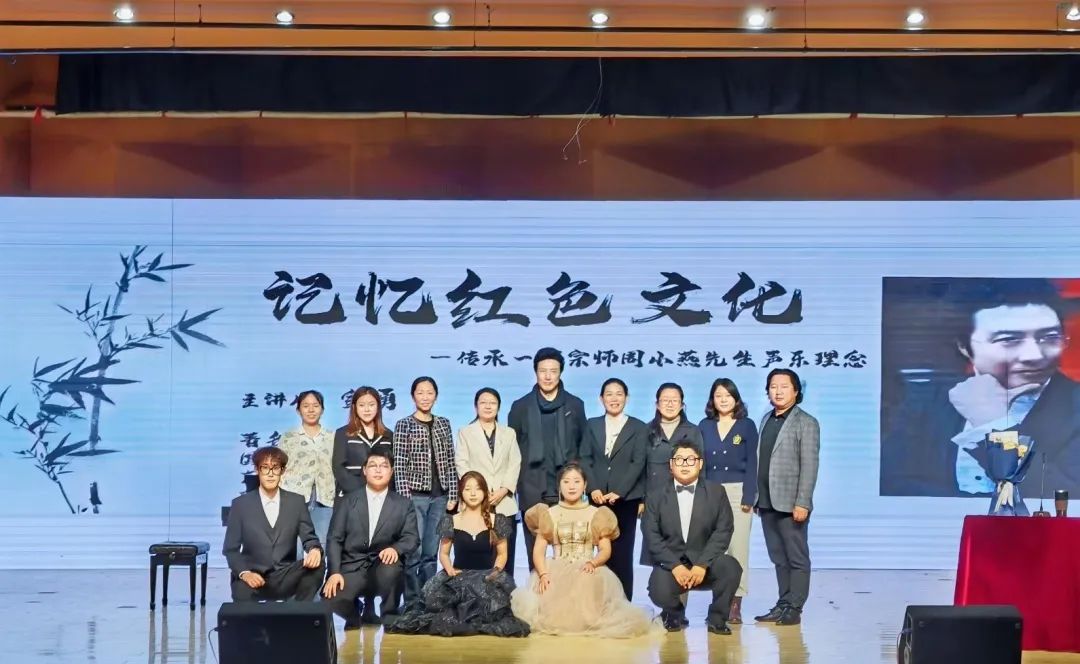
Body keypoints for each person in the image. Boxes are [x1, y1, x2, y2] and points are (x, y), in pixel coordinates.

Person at [881, 278, 1080, 497]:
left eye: (1049, 338)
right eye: (1009, 340)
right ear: (964, 346)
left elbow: (1063, 496)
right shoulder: (928, 400)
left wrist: (992, 426)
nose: (1034, 355)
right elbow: (891, 483)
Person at [510, 462, 654, 637]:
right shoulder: (549, 513)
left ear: (585, 485)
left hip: (587, 567)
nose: (571, 486)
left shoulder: (597, 514)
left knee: (588, 586)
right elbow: (538, 551)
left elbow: (605, 549)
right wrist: (543, 573)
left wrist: (594, 562)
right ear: (559, 486)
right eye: (566, 482)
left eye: (576, 481)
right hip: (556, 568)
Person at [386, 471, 530, 637]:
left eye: (478, 489)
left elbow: (502, 554)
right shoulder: (451, 520)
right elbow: (444, 554)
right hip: (458, 578)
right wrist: (450, 570)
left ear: (485, 492)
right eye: (468, 489)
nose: (473, 493)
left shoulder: (497, 520)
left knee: (492, 613)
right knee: (448, 617)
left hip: (486, 578)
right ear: (461, 492)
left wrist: (496, 571)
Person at [642, 441, 742, 635]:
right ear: (671, 465)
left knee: (731, 568)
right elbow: (651, 535)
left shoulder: (716, 492)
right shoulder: (655, 496)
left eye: (690, 459)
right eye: (679, 459)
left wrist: (702, 564)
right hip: (673, 565)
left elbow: (723, 530)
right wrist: (675, 566)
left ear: (700, 463)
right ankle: (674, 614)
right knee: (658, 590)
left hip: (706, 564)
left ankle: (717, 619)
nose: (685, 464)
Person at [507, 347, 587, 572]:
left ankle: (569, 591)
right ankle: (538, 590)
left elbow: (583, 445)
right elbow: (512, 449)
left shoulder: (575, 405)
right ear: (536, 372)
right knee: (536, 550)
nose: (548, 376)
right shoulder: (521, 406)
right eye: (543, 371)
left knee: (570, 549)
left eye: (553, 371)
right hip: (532, 486)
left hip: (567, 486)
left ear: (561, 372)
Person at [323, 446, 419, 627]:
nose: (378, 470)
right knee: (330, 598)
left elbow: (411, 537)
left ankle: (389, 617)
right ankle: (354, 614)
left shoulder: (403, 504)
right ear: (364, 470)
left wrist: (396, 549)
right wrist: (334, 572)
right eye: (373, 465)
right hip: (353, 566)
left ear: (391, 472)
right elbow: (334, 539)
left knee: (392, 569)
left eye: (384, 466)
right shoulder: (347, 501)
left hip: (383, 566)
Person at [754, 369, 819, 626]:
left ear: (796, 391)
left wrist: (803, 501)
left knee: (796, 557)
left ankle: (795, 607)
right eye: (773, 386)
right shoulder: (766, 419)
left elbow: (810, 466)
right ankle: (783, 603)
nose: (778, 391)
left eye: (784, 386)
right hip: (767, 501)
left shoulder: (806, 422)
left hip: (792, 504)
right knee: (778, 557)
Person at [223, 446, 325, 602]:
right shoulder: (240, 505)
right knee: (242, 592)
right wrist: (245, 573)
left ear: (282, 471)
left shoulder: (296, 502)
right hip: (252, 575)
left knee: (318, 564)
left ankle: (298, 612)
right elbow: (231, 549)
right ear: (257, 470)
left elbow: (309, 538)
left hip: (285, 576)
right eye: (265, 468)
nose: (270, 473)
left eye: (275, 468)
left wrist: (314, 550)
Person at [579, 378, 649, 600]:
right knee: (598, 553)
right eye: (609, 394)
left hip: (625, 499)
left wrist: (620, 490)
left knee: (623, 554)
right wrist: (593, 488)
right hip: (597, 499)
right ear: (601, 399)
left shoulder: (639, 427)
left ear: (626, 398)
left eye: (619, 394)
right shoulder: (591, 424)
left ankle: (623, 602)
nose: (614, 398)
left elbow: (638, 462)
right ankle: (598, 601)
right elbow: (585, 458)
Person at [393, 376, 458, 609]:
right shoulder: (404, 424)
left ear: (436, 396)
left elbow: (450, 460)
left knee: (431, 552)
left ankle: (429, 599)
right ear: (413, 396)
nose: (425, 397)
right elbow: (399, 463)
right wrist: (404, 499)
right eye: (420, 392)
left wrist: (453, 494)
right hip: (414, 496)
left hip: (440, 497)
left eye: (429, 392)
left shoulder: (443, 423)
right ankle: (412, 602)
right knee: (414, 551)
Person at [698, 378, 758, 623]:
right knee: (715, 549)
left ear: (736, 399)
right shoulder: (704, 425)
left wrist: (749, 495)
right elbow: (700, 462)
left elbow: (753, 462)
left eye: (728, 395)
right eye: (718, 395)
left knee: (738, 548)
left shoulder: (747, 425)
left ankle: (735, 603)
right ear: (712, 400)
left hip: (737, 492)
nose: (723, 400)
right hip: (711, 491)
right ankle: (719, 601)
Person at [454, 388, 523, 578]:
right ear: (476, 406)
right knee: (477, 558)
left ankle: (504, 594)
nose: (488, 406)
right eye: (483, 402)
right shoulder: (465, 432)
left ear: (498, 407)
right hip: (475, 502)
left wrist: (504, 489)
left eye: (492, 403)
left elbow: (515, 462)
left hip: (504, 503)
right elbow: (462, 463)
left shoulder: (509, 433)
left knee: (505, 557)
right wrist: (479, 491)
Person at [641, 383, 704, 567]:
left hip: (686, 497)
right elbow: (640, 468)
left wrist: (701, 498)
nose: (670, 404)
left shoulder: (693, 431)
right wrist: (641, 500)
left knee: (684, 555)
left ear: (682, 405)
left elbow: (702, 466)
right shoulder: (646, 430)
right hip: (654, 499)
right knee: (657, 551)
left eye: (675, 400)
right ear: (657, 404)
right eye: (665, 400)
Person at [279, 389, 336, 551]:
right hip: (294, 498)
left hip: (325, 498)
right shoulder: (288, 437)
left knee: (321, 546)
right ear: (298, 410)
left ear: (322, 410)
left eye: (315, 406)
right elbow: (279, 467)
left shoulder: (332, 436)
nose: (311, 410)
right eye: (306, 406)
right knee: (295, 547)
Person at [332, 386, 393, 498]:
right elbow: (338, 468)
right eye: (361, 405)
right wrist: (363, 492)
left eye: (371, 405)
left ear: (378, 406)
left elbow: (391, 468)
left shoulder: (388, 435)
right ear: (354, 407)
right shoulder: (343, 433)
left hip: (382, 497)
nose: (367, 409)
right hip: (351, 496)